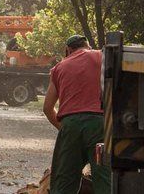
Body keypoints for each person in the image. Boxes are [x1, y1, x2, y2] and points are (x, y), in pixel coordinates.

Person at [43, 35, 111, 193]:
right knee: (104, 179)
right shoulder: (102, 57)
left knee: (64, 181)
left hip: (70, 124)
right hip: (99, 125)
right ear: (87, 46)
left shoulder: (59, 67)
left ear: (68, 50)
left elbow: (47, 108)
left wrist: (65, 128)